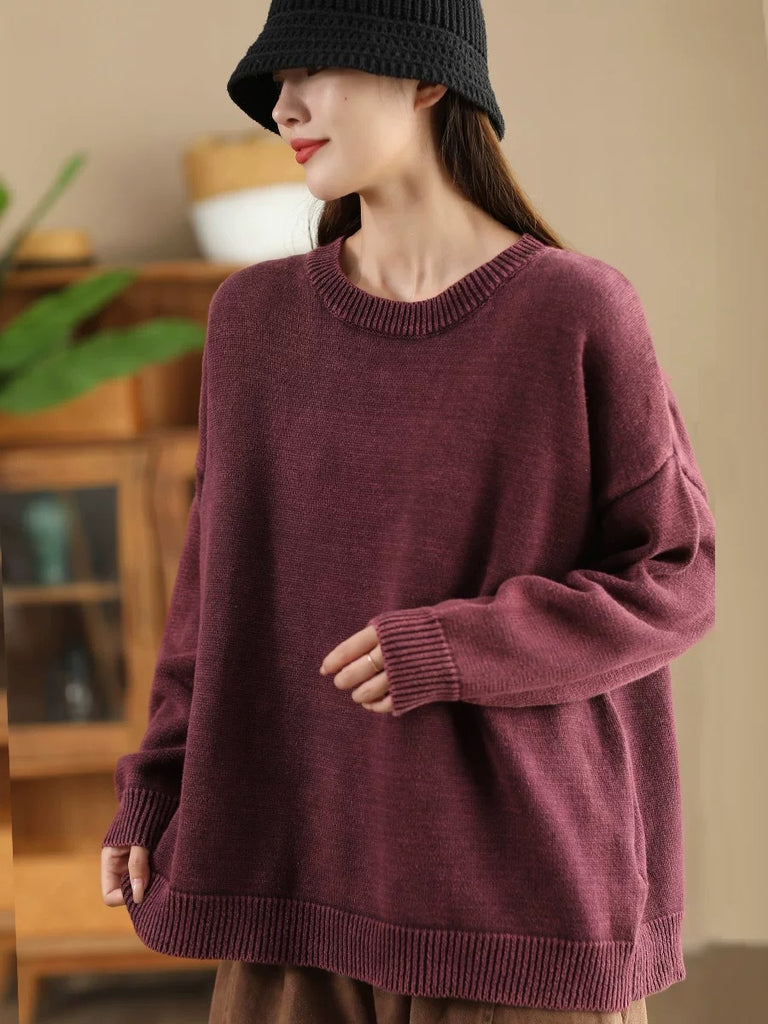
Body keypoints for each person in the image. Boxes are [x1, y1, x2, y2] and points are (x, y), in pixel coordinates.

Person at [100, 2, 715, 1023]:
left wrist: (458, 646)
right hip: (291, 889)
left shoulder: (574, 313)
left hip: (520, 912)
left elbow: (676, 576)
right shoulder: (254, 322)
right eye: (277, 85)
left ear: (430, 78)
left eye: (316, 71)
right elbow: (211, 597)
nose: (285, 109)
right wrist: (157, 783)